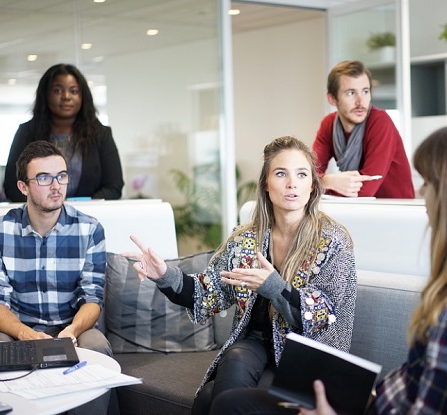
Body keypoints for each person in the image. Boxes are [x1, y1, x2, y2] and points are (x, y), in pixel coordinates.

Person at [209, 125, 447, 415]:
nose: (422, 194)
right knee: (228, 398)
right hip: (374, 401)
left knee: (231, 406)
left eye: (430, 183)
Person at [123, 136, 357, 414]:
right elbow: (206, 293)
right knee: (234, 359)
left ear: (312, 186)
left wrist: (273, 286)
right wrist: (163, 274)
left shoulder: (333, 240)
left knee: (211, 397)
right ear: (266, 186)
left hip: (308, 354)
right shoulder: (246, 239)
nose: (292, 183)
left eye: (302, 174)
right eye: (281, 173)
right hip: (256, 343)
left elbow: (321, 315)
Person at [0, 141, 111, 357]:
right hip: (18, 329)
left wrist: (72, 330)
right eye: (43, 178)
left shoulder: (90, 229)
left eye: (62, 176)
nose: (56, 186)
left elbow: (92, 297)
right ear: (23, 187)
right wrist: (25, 333)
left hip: (73, 328)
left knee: (97, 346)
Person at [3, 63, 124, 202]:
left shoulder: (101, 134)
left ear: (83, 97)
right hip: (39, 219)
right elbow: (12, 187)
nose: (66, 97)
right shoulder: (27, 133)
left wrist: (79, 209)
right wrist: (48, 207)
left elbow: (114, 187)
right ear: (45, 95)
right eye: (58, 91)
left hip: (88, 217)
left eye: (74, 91)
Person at [312, 60, 414, 198]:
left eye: (365, 91)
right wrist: (328, 181)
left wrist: (322, 183)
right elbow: (307, 176)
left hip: (395, 211)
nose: (360, 101)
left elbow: (365, 190)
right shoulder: (328, 124)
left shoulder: (380, 122)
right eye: (350, 93)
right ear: (332, 99)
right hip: (358, 210)